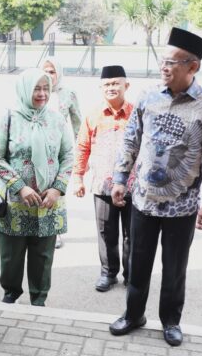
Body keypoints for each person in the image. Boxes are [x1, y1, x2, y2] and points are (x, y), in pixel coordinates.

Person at [109, 28, 202, 347]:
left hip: (183, 206)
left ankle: (171, 321)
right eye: (163, 60)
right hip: (143, 201)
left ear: (193, 66)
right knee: (137, 265)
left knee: (174, 269)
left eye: (172, 62)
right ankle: (133, 314)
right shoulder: (147, 97)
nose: (164, 67)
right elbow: (130, 140)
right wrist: (120, 179)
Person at [0, 68, 73, 306]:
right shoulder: (9, 117)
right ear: (25, 89)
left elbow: (68, 155)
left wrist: (57, 188)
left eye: (46, 88)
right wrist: (20, 187)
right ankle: (11, 293)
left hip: (49, 202)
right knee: (11, 256)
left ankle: (39, 298)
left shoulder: (57, 120)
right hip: (16, 202)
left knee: (43, 256)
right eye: (36, 88)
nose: (41, 94)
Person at [72, 65, 134, 292]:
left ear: (126, 85)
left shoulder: (137, 113)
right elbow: (82, 148)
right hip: (102, 185)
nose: (111, 88)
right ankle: (108, 273)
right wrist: (78, 177)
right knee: (106, 232)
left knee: (132, 234)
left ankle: (131, 275)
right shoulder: (93, 115)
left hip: (132, 186)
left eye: (116, 83)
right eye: (107, 84)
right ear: (101, 87)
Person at [41, 57, 81, 249]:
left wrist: (82, 152)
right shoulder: (36, 89)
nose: (48, 75)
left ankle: (54, 231)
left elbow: (77, 122)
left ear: (59, 73)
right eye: (45, 71)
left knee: (57, 188)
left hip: (58, 149)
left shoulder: (68, 94)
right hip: (38, 147)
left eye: (52, 72)